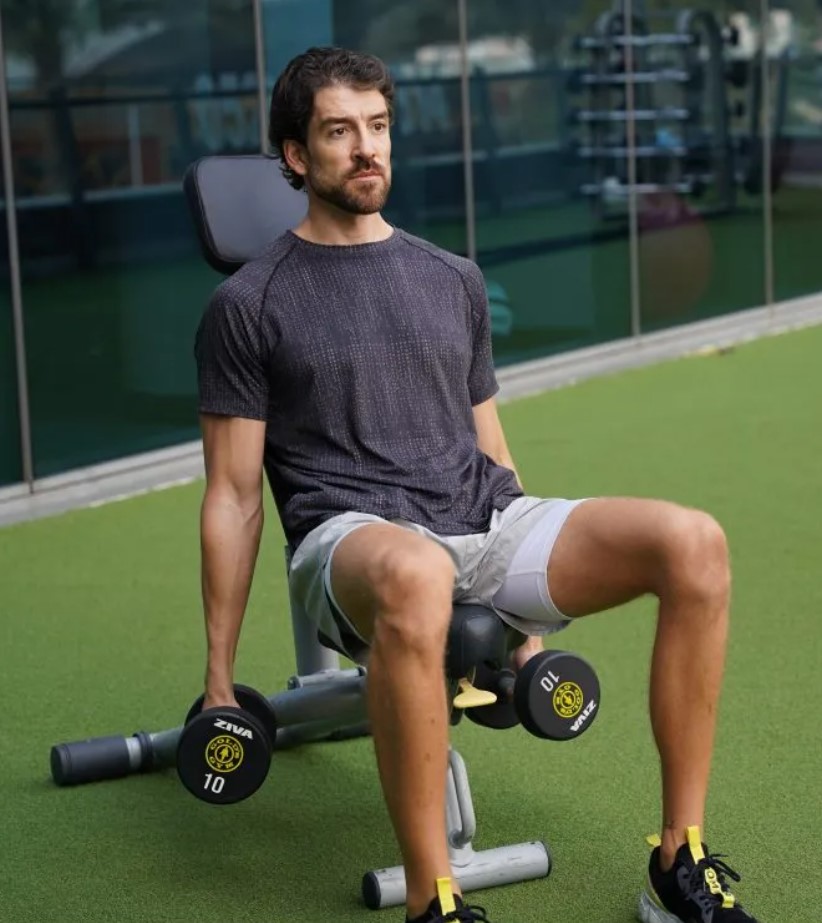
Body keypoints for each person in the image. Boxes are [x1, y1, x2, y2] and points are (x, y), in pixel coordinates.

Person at [194, 46, 760, 923]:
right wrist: (222, 682)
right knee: (417, 572)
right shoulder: (250, 303)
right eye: (339, 132)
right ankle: (435, 900)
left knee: (694, 540)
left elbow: (491, 451)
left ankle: (678, 860)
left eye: (377, 127)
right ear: (297, 156)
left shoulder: (449, 276)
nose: (366, 148)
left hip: (480, 520)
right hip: (350, 540)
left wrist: (522, 629)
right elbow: (232, 498)